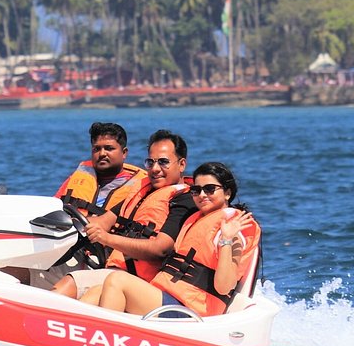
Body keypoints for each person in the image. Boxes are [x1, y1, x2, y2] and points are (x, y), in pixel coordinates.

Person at [88, 162, 260, 317]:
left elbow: (224, 286)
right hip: (168, 297)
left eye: (209, 189)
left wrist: (227, 239)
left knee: (117, 280)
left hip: (191, 310)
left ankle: (105, 343)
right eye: (196, 190)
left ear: (228, 193)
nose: (201, 195)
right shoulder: (195, 219)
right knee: (97, 290)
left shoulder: (236, 228)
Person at [53, 129, 197, 299]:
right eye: (150, 162)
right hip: (111, 270)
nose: (155, 169)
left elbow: (161, 249)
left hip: (138, 282)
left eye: (163, 162)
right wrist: (62, 222)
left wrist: (106, 238)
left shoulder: (184, 200)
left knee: (71, 284)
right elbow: (102, 222)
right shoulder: (141, 192)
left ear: (181, 165)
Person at [54, 122, 148, 214]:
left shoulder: (139, 186)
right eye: (97, 149)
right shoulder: (79, 176)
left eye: (109, 148)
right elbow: (53, 207)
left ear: (124, 153)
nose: (102, 154)